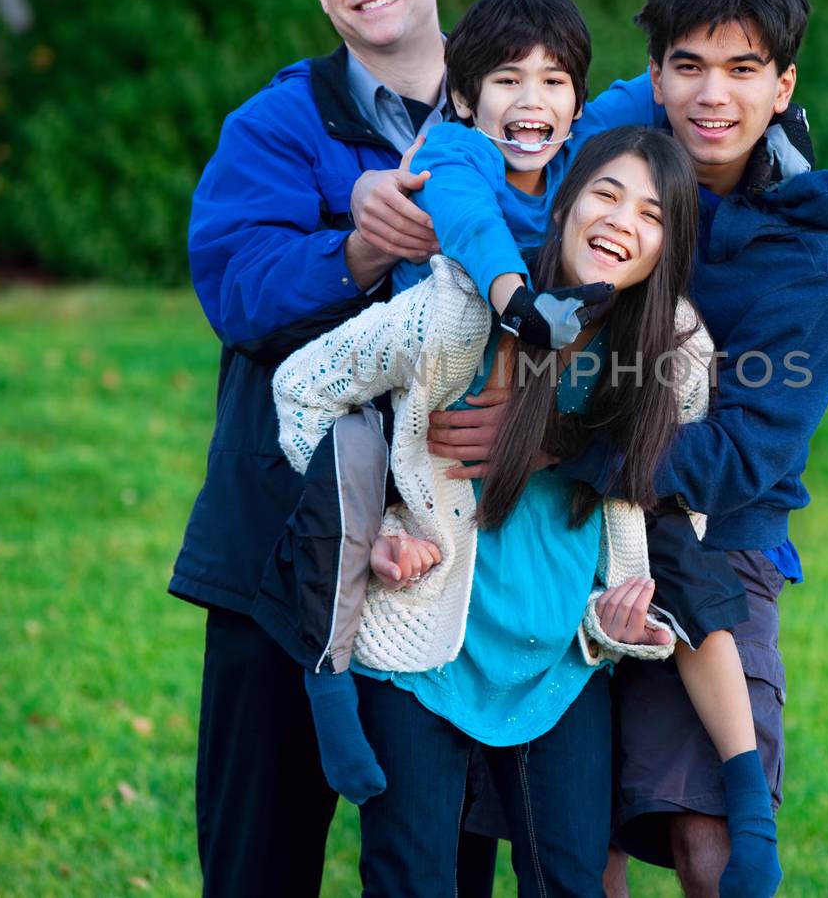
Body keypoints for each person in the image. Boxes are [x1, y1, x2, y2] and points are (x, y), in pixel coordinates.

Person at [427, 0, 828, 898]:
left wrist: (561, 443)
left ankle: (745, 805)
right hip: (555, 511)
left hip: (713, 524)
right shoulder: (612, 135)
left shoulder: (813, 255)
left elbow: (746, 453)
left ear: (784, 85)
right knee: (580, 852)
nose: (713, 96)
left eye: (745, 70)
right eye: (689, 66)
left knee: (710, 850)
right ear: (655, 71)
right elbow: (477, 146)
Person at [273, 125, 710, 895]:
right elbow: (302, 388)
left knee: (572, 881)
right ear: (566, 200)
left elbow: (684, 487)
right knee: (412, 881)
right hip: (421, 648)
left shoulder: (673, 350)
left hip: (565, 657)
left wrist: (628, 603)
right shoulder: (456, 306)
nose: (621, 221)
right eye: (606, 194)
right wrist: (364, 531)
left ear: (666, 247)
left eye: (651, 214)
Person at [171, 0, 465, 896]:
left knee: (442, 861)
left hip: (452, 549)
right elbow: (239, 289)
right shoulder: (277, 123)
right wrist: (357, 248)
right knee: (259, 857)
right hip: (284, 537)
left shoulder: (511, 108)